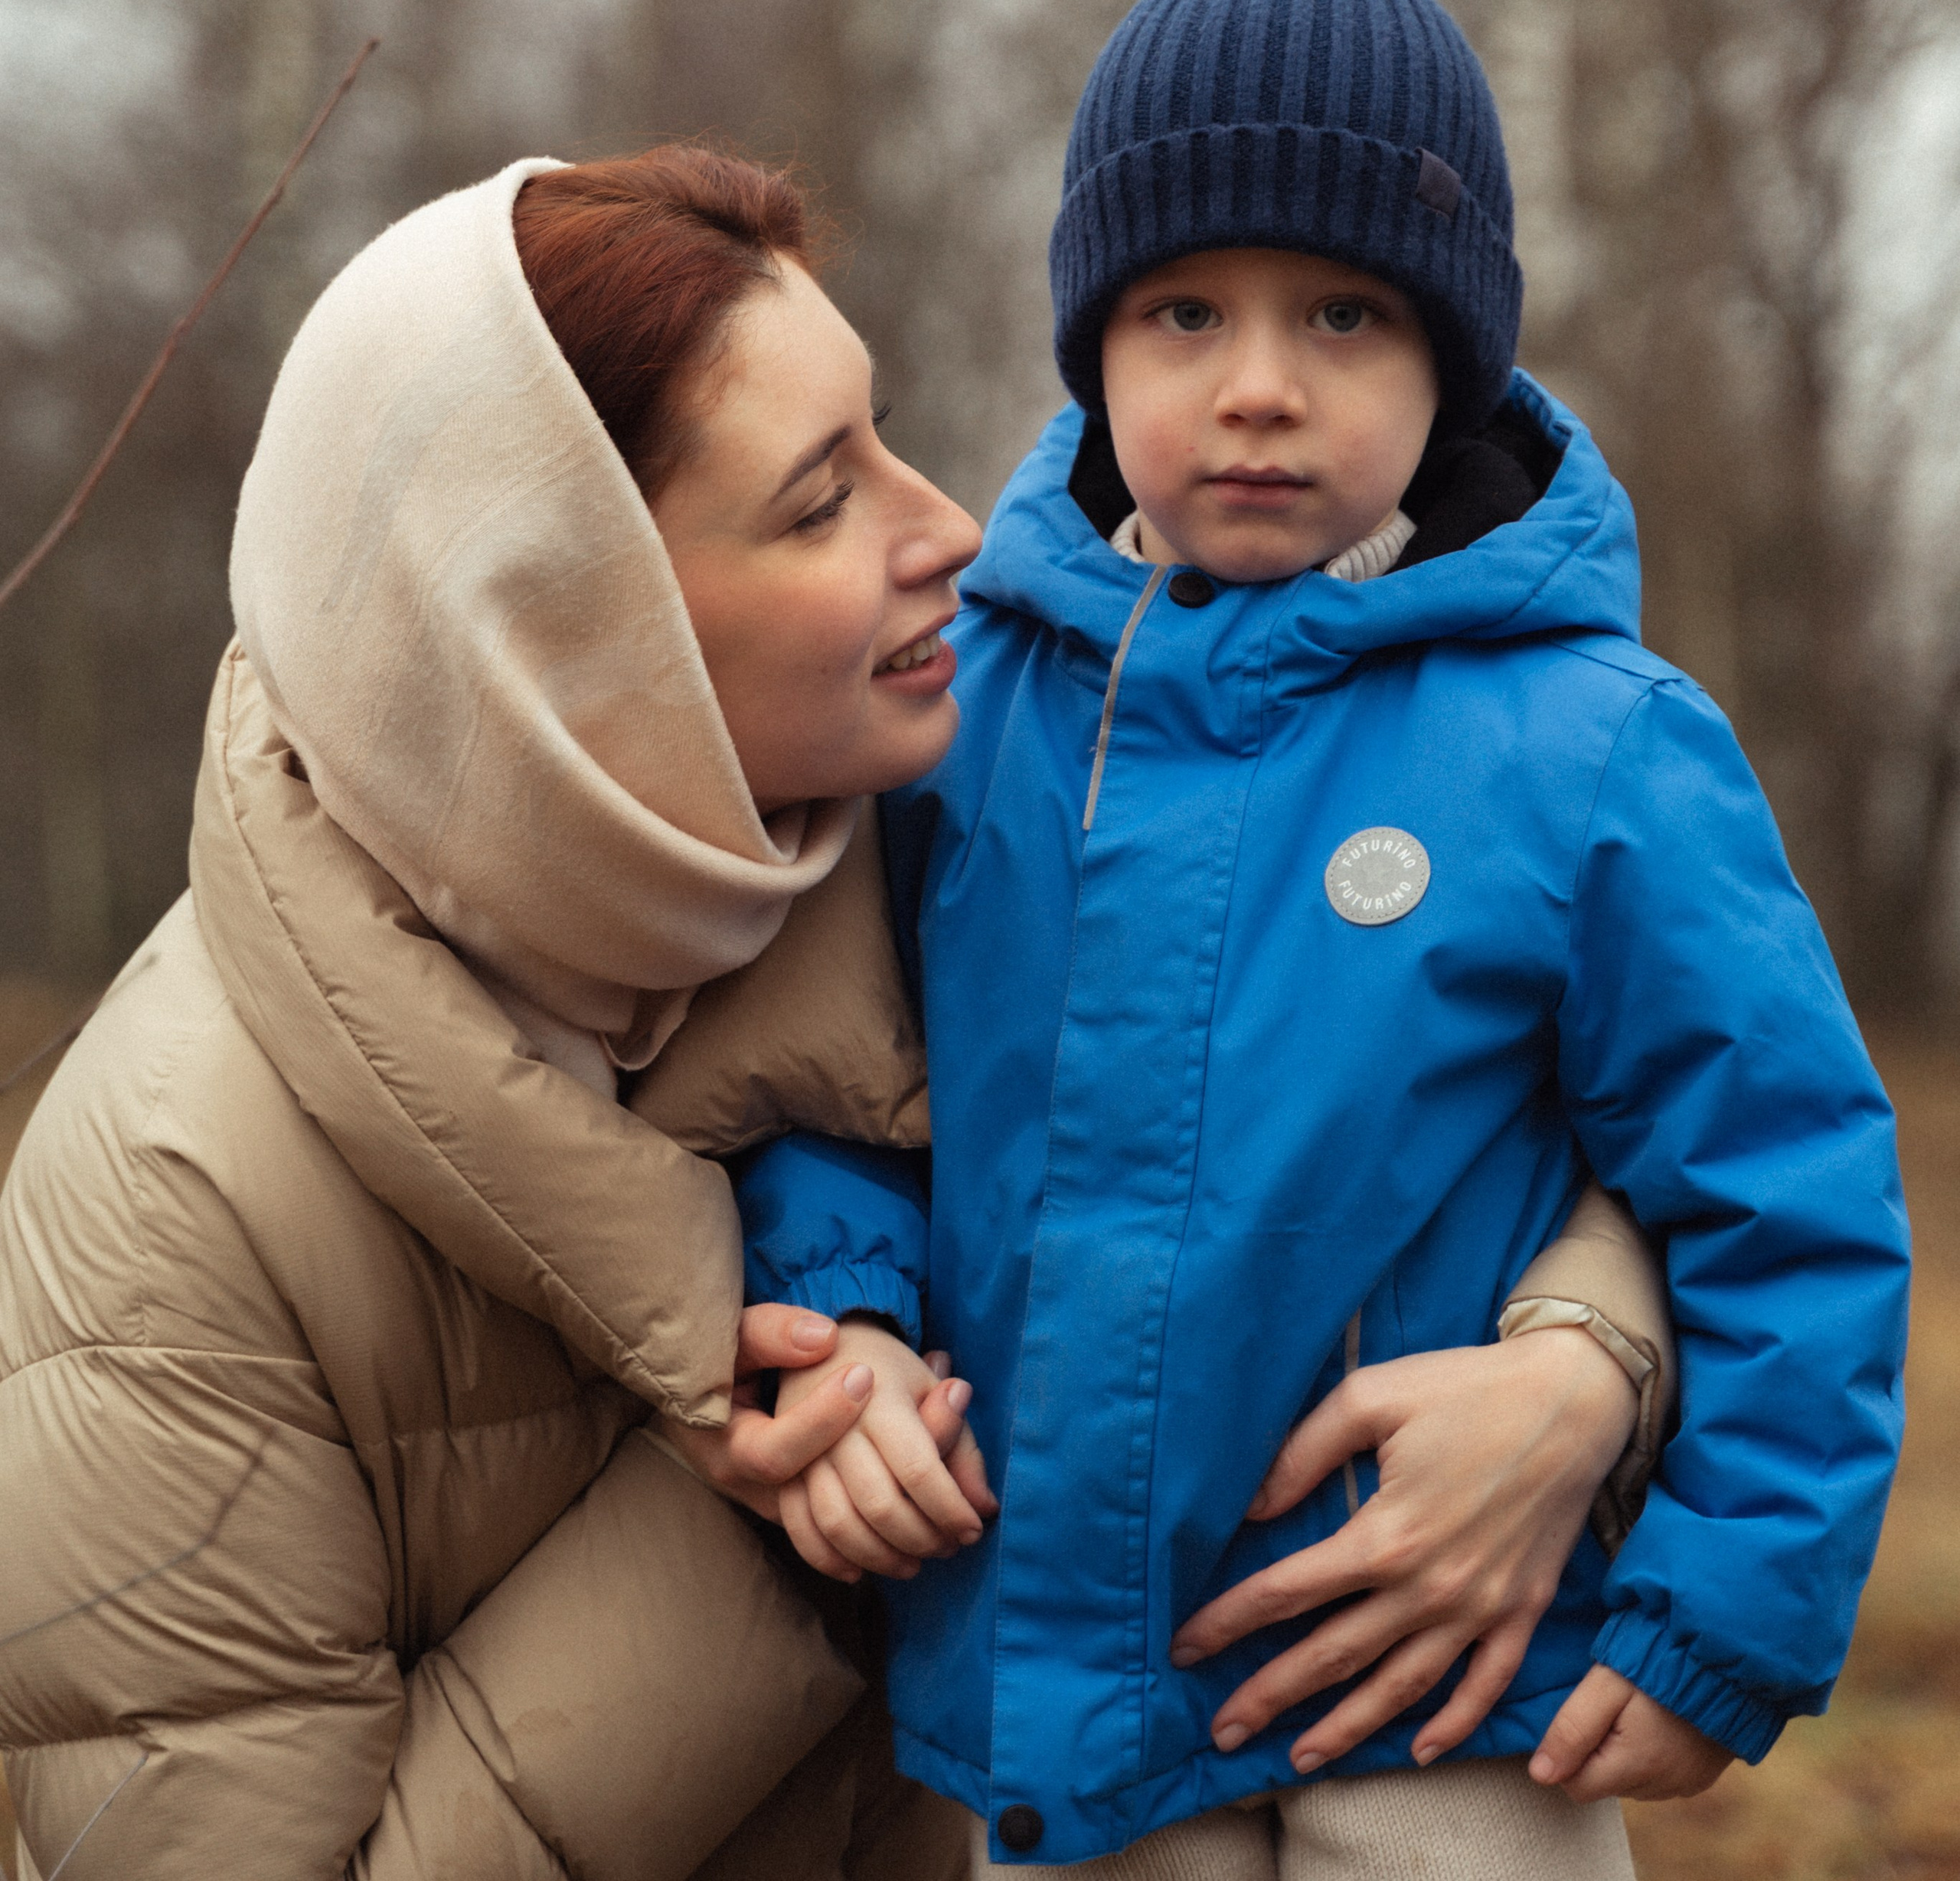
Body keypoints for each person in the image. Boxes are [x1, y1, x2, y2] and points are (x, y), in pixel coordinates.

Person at [0, 136, 1658, 1881]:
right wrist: (801, 1501)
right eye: (819, 498)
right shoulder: (167, 1225)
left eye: (881, 433)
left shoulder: (928, 845)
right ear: (563, 645)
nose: (948, 522)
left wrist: (1581, 1363)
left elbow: (1506, 1097)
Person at [733, 0, 1913, 1877]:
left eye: (1344, 313)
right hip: (1062, 1687)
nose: (1258, 386)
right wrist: (845, 1320)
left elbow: (1781, 1177)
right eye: (1184, 308)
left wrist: (1727, 1603)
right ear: (1094, 343)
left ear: (1450, 353)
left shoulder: (1589, 738)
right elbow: (837, 1091)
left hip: (1440, 1686)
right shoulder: (970, 712)